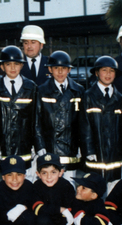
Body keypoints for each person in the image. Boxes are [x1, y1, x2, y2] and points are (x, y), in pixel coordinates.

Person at [0, 46, 39, 182]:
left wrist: (36, 143)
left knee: (27, 181)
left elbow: (36, 119)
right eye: (8, 64)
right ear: (2, 67)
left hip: (26, 145)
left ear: (22, 65)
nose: (12, 68)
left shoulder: (31, 87)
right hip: (4, 145)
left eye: (16, 64)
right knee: (8, 181)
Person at [35, 51, 86, 180]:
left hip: (70, 147)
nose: (60, 72)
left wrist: (81, 146)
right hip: (49, 146)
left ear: (69, 69)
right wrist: (40, 145)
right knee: (49, 183)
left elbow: (82, 122)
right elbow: (37, 121)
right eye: (56, 68)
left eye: (64, 68)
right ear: (50, 69)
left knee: (69, 184)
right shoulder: (41, 90)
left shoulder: (78, 90)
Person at [82, 56, 122, 193]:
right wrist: (89, 150)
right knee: (95, 187)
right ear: (96, 73)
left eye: (111, 71)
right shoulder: (88, 96)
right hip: (96, 152)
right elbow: (85, 125)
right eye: (104, 70)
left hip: (114, 153)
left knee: (114, 187)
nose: (108, 74)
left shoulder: (120, 98)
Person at [31, 153, 76, 225]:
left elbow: (70, 217)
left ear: (61, 172)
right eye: (44, 173)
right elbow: (38, 208)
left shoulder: (67, 187)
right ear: (38, 174)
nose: (49, 177)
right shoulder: (36, 186)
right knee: (42, 219)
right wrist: (59, 209)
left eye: (53, 172)